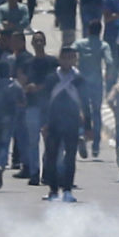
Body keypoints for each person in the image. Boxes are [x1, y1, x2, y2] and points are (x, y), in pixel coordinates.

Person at [40, 53, 86, 201]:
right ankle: (53, 190)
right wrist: (44, 123)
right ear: (60, 60)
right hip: (53, 123)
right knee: (51, 158)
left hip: (72, 123)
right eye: (64, 58)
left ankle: (67, 190)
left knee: (70, 158)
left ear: (74, 60)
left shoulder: (79, 79)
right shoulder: (52, 78)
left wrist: (89, 125)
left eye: (70, 58)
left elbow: (85, 102)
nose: (67, 61)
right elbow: (44, 101)